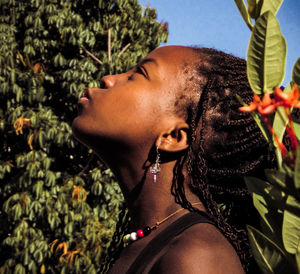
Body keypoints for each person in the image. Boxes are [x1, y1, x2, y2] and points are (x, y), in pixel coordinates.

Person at [72, 46, 273, 273]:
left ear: (173, 136)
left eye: (137, 75)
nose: (108, 79)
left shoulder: (197, 256)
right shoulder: (151, 239)